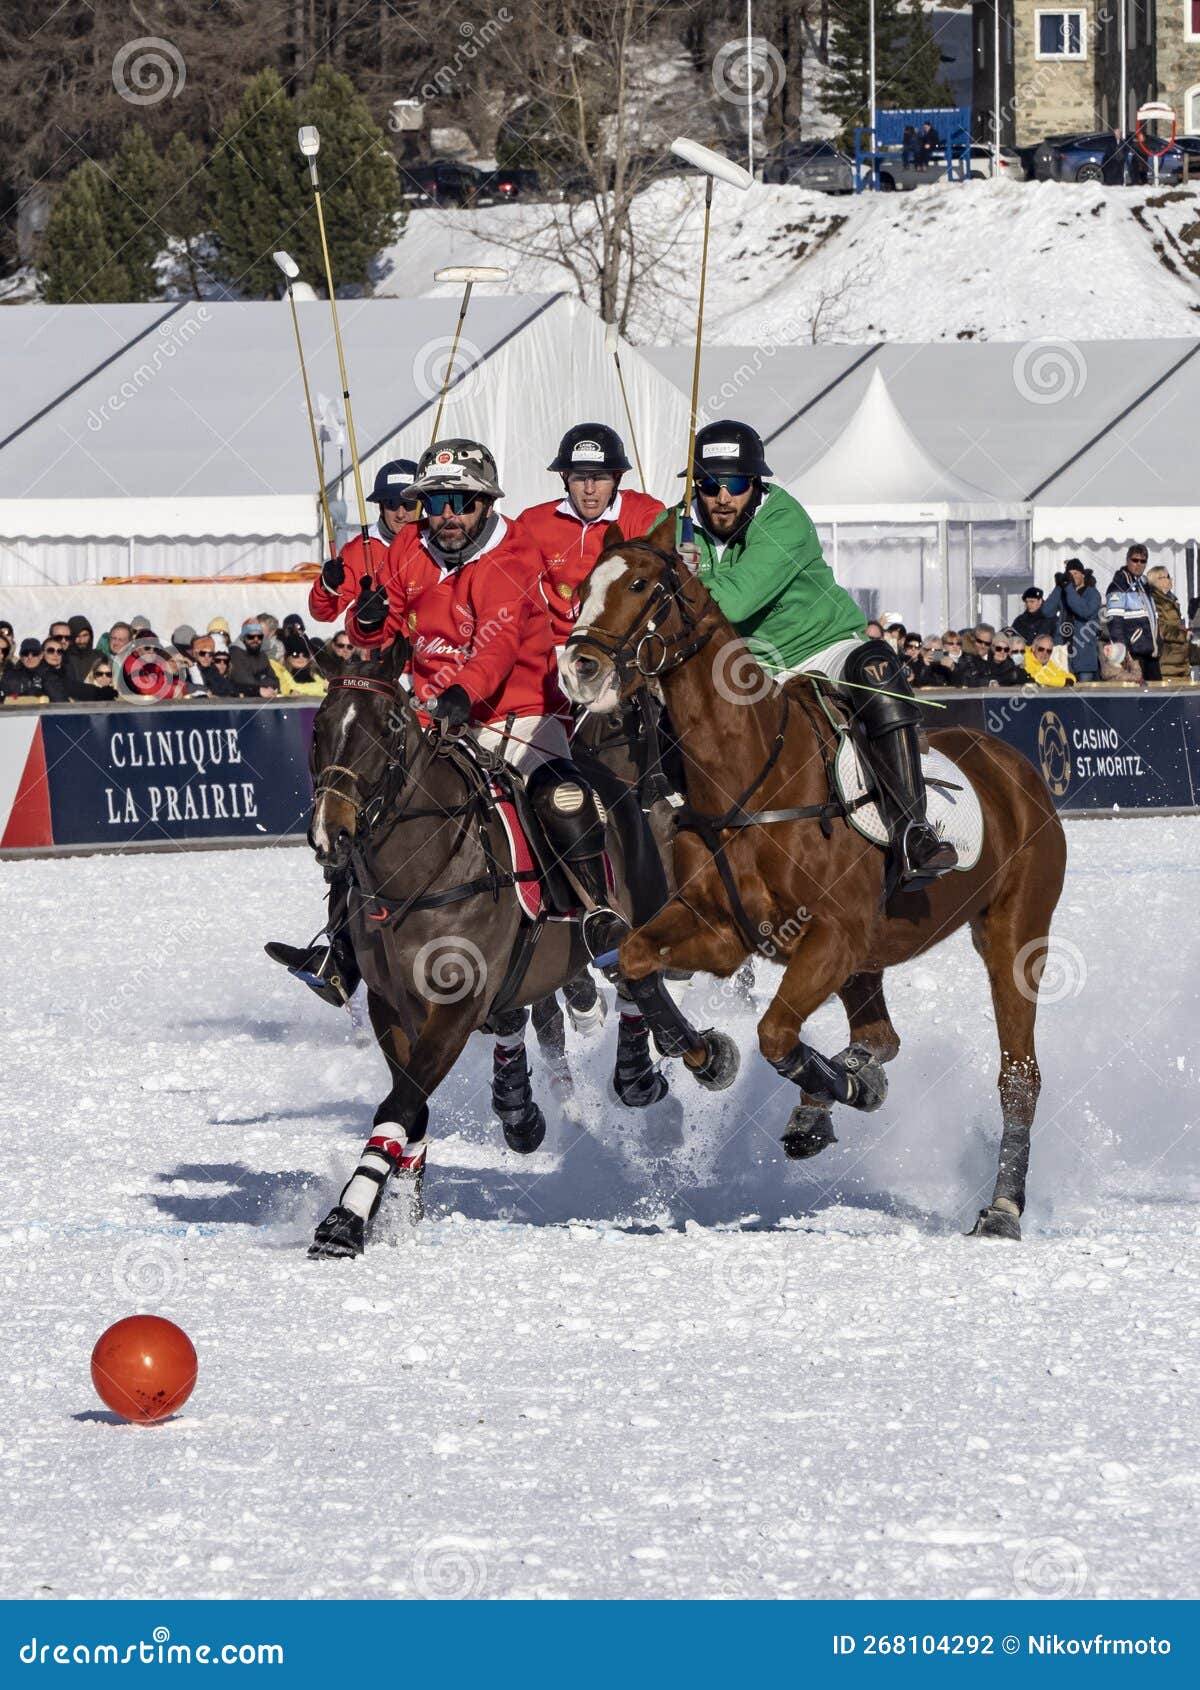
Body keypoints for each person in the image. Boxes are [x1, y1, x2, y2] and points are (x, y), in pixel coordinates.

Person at [269, 437, 626, 999]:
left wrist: (460, 695)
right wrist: (367, 622)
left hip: (519, 713)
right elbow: (378, 633)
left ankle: (598, 915)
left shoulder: (513, 554)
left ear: (486, 503)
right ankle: (340, 949)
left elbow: (496, 648)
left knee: (563, 798)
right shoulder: (409, 547)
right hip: (431, 714)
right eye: (435, 502)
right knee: (362, 799)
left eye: (462, 502)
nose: (448, 516)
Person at [660, 419, 956, 881]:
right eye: (711, 484)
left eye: (735, 484)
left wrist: (688, 577)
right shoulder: (673, 526)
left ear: (756, 484)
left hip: (820, 647)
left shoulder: (784, 518)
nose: (723, 497)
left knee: (876, 666)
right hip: (744, 667)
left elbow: (733, 602)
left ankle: (912, 827)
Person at [517, 424, 665, 650]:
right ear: (565, 477)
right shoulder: (533, 522)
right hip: (559, 645)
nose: (589, 489)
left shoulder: (645, 514)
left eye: (599, 477)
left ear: (617, 477)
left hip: (623, 646)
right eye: (579, 478)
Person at [308, 458, 420, 628]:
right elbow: (324, 613)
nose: (400, 514)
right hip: (378, 642)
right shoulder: (356, 551)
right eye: (392, 504)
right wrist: (326, 586)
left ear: (422, 504)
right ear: (380, 506)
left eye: (409, 504)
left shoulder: (438, 543)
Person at [1043, 558, 1101, 681]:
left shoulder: (1092, 594)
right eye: (1069, 574)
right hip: (1063, 654)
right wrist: (1059, 587)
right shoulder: (1064, 592)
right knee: (1063, 691)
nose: (1073, 577)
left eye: (1075, 573)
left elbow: (1084, 611)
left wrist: (1068, 588)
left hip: (1084, 654)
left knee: (1084, 691)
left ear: (1083, 575)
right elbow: (1046, 611)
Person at [1145, 565, 1199, 683]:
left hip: (1180, 664)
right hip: (1167, 664)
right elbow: (1158, 627)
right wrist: (1182, 634)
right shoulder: (1154, 601)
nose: (1171, 579)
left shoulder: (1171, 600)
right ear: (1158, 580)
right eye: (1168, 576)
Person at [228, 620, 279, 698]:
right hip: (241, 700)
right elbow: (241, 679)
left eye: (259, 637)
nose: (256, 640)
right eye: (251, 637)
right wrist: (259, 688)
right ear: (244, 638)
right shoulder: (235, 653)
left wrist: (263, 688)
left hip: (261, 698)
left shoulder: (262, 655)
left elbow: (274, 680)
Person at [269, 632, 327, 696]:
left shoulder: (316, 673)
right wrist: (322, 688)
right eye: (295, 654)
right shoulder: (281, 672)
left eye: (305, 654)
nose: (301, 658)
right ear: (287, 657)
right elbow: (291, 688)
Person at [954, 622, 996, 687]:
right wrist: (989, 683)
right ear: (973, 639)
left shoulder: (995, 656)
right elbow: (966, 679)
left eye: (987, 643)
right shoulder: (965, 657)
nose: (983, 646)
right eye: (979, 641)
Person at [64, 615, 95, 686]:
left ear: (90, 635)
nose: (82, 641)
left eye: (85, 635)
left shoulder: (99, 657)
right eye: (77, 636)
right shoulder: (62, 659)